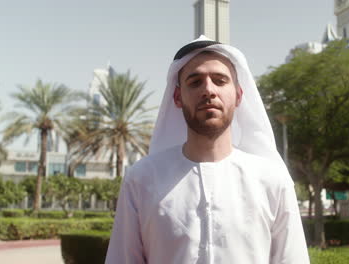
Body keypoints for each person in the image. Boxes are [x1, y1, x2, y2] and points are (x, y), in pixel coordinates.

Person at [105, 36, 310, 264]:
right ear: (177, 97)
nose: (208, 90)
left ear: (239, 95)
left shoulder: (273, 181)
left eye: (220, 80)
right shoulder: (141, 180)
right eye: (195, 82)